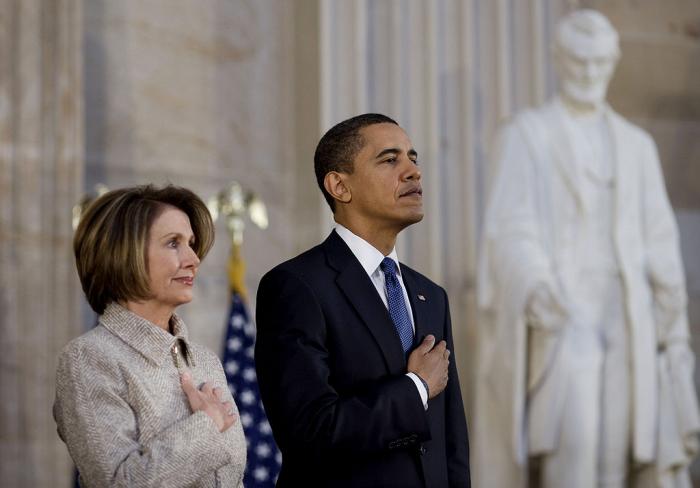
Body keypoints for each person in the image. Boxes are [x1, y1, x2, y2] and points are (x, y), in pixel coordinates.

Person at [475, 9, 699, 488]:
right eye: (579, 62)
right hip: (565, 312)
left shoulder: (636, 145)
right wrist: (534, 282)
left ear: (613, 62)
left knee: (619, 453)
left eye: (599, 63)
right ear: (558, 59)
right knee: (571, 445)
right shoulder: (528, 135)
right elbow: (510, 226)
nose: (589, 74)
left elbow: (659, 240)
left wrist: (673, 320)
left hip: (627, 313)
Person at [254, 113, 470, 487]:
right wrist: (415, 387)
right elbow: (310, 431)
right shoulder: (296, 286)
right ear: (339, 186)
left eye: (413, 158)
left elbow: (451, 442)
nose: (413, 172)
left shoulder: (430, 295)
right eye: (390, 159)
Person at [54, 185, 247, 487]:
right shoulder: (87, 359)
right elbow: (118, 482)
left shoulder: (206, 362)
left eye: (191, 243)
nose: (193, 259)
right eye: (173, 243)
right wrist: (206, 427)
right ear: (123, 254)